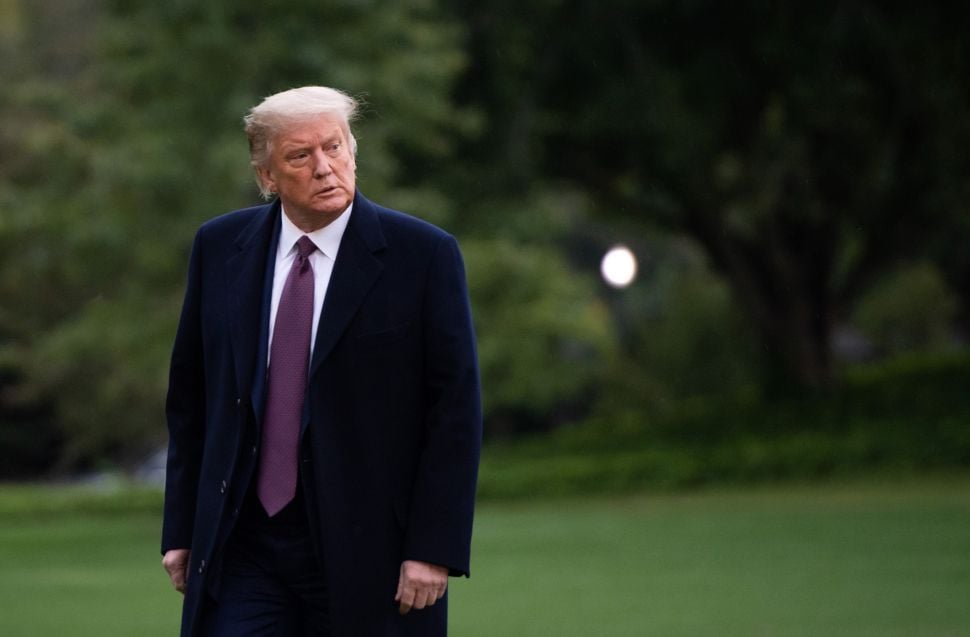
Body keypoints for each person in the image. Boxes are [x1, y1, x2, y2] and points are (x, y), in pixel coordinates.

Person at [161, 86, 482, 636]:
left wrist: (434, 548)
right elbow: (192, 398)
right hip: (244, 545)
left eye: (334, 148)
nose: (324, 168)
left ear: (353, 151)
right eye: (300, 156)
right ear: (267, 176)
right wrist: (183, 529)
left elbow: (454, 412)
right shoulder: (219, 248)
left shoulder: (423, 256)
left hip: (369, 549)